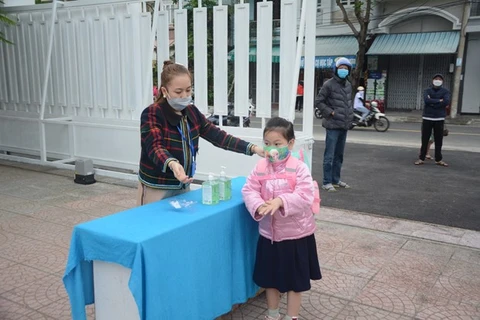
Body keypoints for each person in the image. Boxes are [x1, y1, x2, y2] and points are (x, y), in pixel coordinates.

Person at [137, 60, 264, 205]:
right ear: (165, 91)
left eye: (188, 90)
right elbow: (154, 146)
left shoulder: (191, 112)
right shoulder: (152, 113)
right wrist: (172, 163)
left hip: (183, 183)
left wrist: (253, 148)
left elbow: (218, 136)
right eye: (178, 92)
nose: (184, 95)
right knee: (154, 223)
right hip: (157, 185)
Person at [241, 117, 322, 320]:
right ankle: (273, 314)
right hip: (270, 235)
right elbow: (249, 189)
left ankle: (291, 316)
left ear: (291, 143)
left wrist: (280, 201)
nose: (271, 149)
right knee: (270, 279)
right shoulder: (260, 167)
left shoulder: (299, 167)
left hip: (296, 236)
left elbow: (305, 195)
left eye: (277, 144)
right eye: (267, 144)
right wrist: (258, 204)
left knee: (296, 280)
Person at [314, 57, 354, 192]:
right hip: (332, 125)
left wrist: (350, 117)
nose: (343, 70)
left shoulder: (348, 84)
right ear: (336, 69)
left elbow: (347, 103)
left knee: (339, 155)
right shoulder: (328, 84)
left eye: (346, 68)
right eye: (341, 68)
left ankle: (336, 179)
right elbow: (319, 101)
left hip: (344, 125)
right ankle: (326, 181)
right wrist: (330, 113)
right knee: (329, 155)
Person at [415, 74, 451, 167]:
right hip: (427, 117)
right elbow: (427, 100)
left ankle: (438, 159)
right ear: (432, 80)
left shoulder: (445, 91)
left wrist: (433, 103)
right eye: (436, 79)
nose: (437, 80)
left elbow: (446, 101)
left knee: (439, 140)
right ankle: (421, 158)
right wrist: (439, 101)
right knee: (425, 139)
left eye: (439, 79)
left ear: (442, 81)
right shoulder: (427, 90)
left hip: (439, 118)